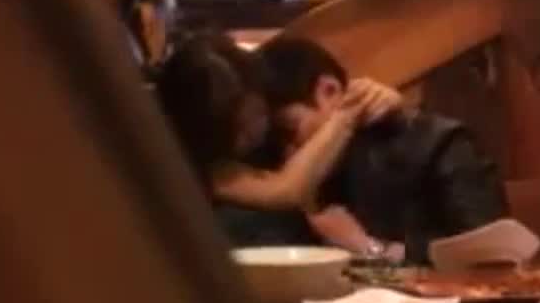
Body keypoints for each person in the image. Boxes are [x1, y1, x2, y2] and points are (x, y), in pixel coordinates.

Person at [258, 36, 508, 264]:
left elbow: (493, 256)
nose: (289, 154)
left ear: (329, 90)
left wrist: (368, 247)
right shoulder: (282, 174)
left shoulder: (439, 142)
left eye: (290, 129)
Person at [155, 34, 401, 250]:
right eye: (237, 129)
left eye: (258, 115)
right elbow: (285, 190)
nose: (254, 133)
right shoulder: (198, 167)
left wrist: (379, 100)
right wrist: (348, 111)